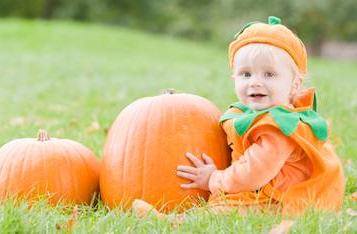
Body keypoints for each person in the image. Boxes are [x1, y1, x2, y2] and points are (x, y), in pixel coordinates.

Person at [133, 16, 345, 221]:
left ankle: (175, 222)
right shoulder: (255, 115)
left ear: (294, 84)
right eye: (246, 74)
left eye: (269, 74)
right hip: (268, 191)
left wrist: (213, 179)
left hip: (282, 200)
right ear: (234, 77)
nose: (255, 82)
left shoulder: (279, 128)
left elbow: (253, 174)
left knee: (225, 211)